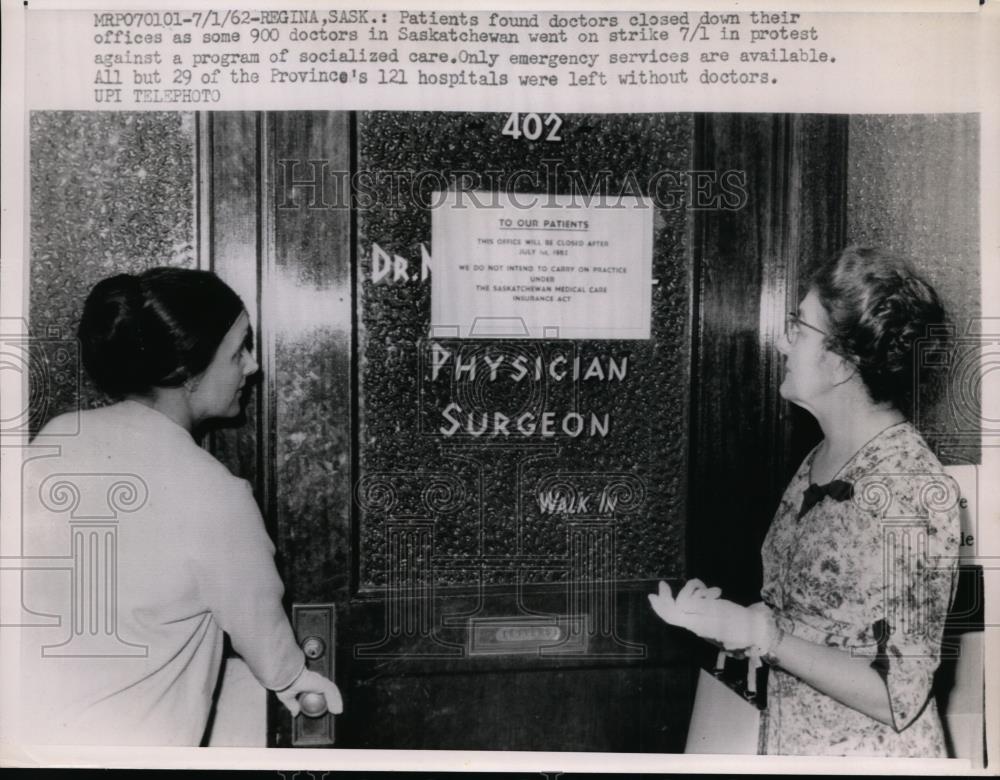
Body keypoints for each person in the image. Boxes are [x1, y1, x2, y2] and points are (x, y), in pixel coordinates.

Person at [650, 246, 960, 756]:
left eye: (798, 328)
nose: (780, 342)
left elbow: (897, 694)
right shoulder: (824, 454)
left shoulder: (908, 488)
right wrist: (729, 622)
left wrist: (762, 635)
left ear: (839, 362)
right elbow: (819, 623)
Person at [18, 268, 342, 745]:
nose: (251, 367)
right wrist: (294, 679)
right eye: (238, 353)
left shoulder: (57, 437)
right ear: (188, 375)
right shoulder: (213, 491)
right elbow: (259, 623)